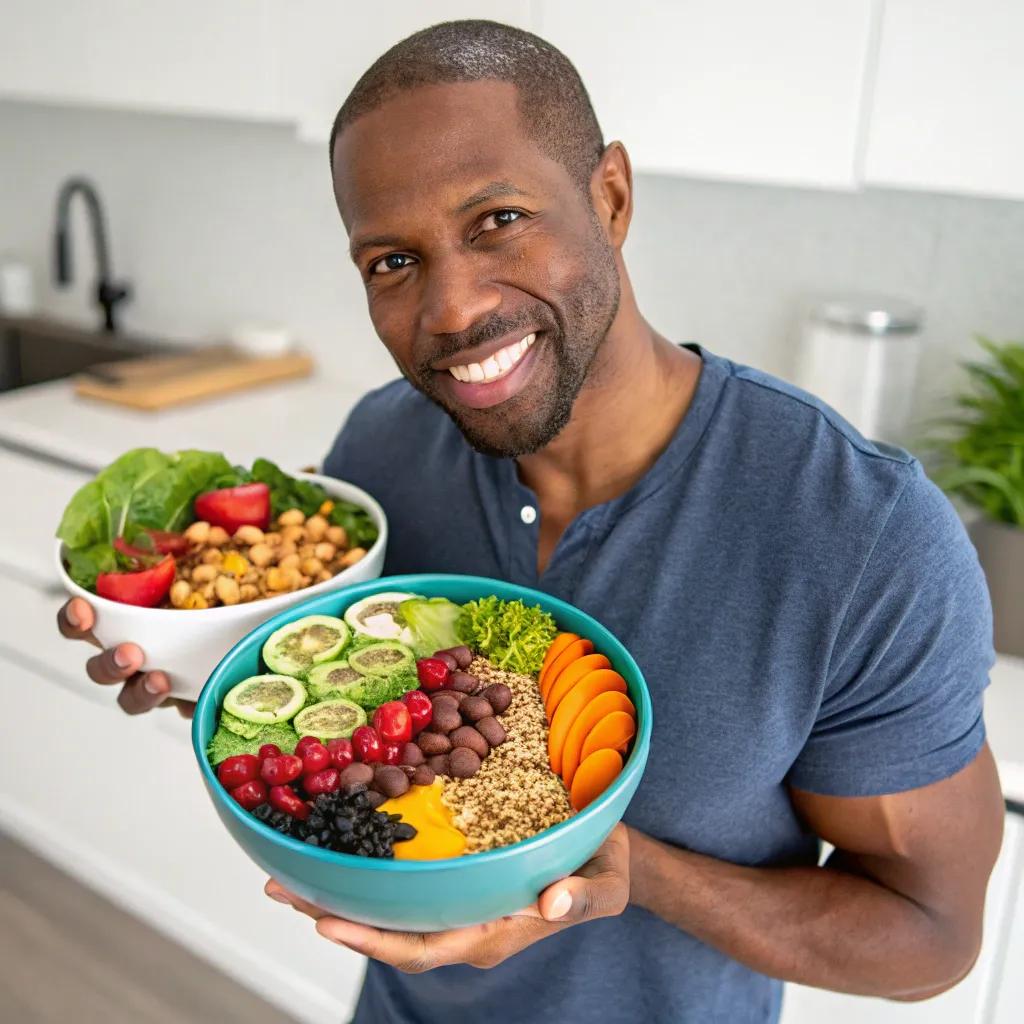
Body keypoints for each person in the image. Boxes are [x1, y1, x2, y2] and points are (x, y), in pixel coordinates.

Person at [58, 20, 1005, 1024]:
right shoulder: (378, 454)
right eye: (391, 261)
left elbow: (928, 940)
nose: (451, 308)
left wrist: (630, 869)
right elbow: (333, 724)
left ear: (610, 197)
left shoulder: (858, 536)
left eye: (498, 217)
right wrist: (220, 681)